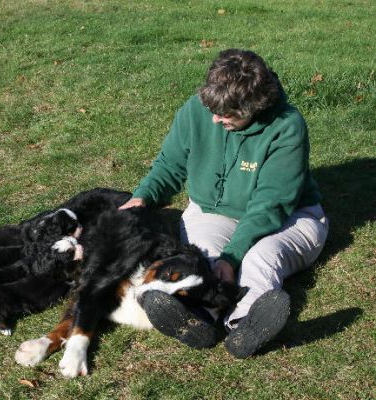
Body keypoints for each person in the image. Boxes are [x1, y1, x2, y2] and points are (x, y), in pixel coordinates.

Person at [119, 49, 329, 358]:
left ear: (256, 106)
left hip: (290, 218)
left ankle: (245, 326)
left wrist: (231, 258)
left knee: (260, 258)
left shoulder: (287, 126)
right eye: (212, 109)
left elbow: (271, 204)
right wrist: (142, 197)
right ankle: (199, 320)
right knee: (203, 258)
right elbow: (170, 164)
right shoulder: (196, 110)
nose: (216, 119)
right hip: (212, 211)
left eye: (228, 114)